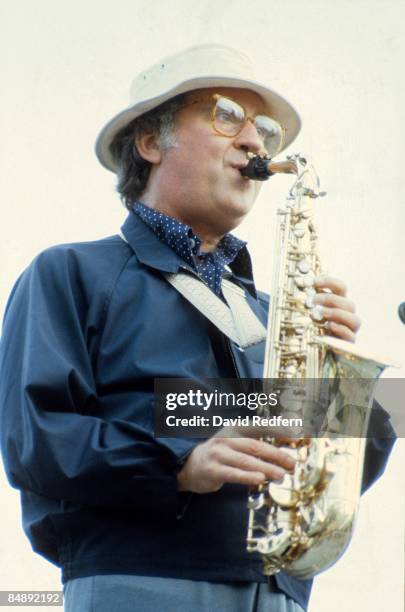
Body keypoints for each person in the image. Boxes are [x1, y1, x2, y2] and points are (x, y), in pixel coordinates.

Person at [0, 44, 395, 612]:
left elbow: (327, 470)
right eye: (226, 115)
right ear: (149, 142)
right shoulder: (69, 272)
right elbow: (34, 438)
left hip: (278, 590)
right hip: (141, 579)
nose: (256, 143)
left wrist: (341, 382)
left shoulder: (273, 312)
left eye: (263, 129)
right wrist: (180, 462)